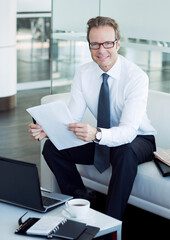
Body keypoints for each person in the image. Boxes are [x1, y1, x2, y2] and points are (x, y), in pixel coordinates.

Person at [29, 16, 156, 230]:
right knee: (53, 148)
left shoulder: (136, 77)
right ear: (89, 45)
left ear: (117, 43)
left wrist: (96, 134)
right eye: (94, 44)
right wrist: (49, 129)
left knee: (125, 152)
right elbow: (72, 117)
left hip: (138, 139)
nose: (101, 50)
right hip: (104, 137)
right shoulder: (84, 73)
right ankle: (81, 200)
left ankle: (109, 223)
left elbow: (128, 131)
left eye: (107, 43)